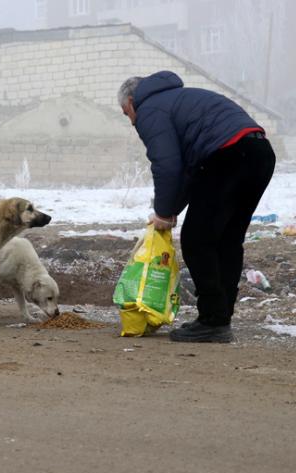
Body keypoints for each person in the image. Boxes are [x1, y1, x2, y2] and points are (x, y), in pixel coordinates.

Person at [117, 71, 275, 343]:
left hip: (229, 155)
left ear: (131, 101)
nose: (131, 121)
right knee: (227, 240)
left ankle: (213, 320)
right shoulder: (180, 100)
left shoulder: (150, 110)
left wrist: (164, 212)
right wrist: (170, 210)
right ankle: (219, 318)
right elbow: (190, 171)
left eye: (126, 113)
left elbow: (167, 165)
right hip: (259, 154)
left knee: (196, 239)